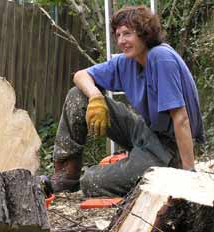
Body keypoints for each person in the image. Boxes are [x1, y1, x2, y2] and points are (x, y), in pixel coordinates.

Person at [49, 5, 205, 197]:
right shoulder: (125, 62)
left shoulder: (161, 58)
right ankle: (66, 176)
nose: (121, 41)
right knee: (78, 96)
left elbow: (181, 119)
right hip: (146, 131)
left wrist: (189, 175)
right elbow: (81, 76)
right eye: (118, 35)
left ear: (144, 34)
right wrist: (96, 97)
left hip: (170, 149)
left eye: (127, 34)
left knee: (91, 182)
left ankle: (136, 167)